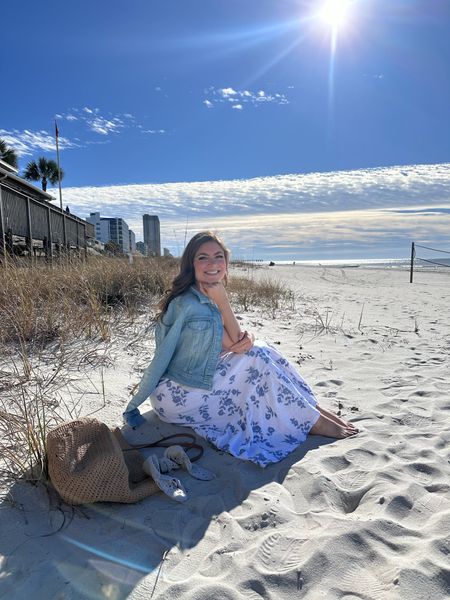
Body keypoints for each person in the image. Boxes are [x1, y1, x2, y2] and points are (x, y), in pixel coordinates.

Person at [123, 231, 357, 467]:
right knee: (257, 356)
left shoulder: (200, 294)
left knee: (263, 350)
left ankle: (311, 409)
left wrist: (250, 336)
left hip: (186, 385)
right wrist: (223, 302)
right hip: (177, 395)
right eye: (203, 257)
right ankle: (312, 419)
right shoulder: (193, 304)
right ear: (191, 265)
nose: (213, 263)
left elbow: (237, 341)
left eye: (218, 256)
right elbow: (237, 344)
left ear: (226, 261)